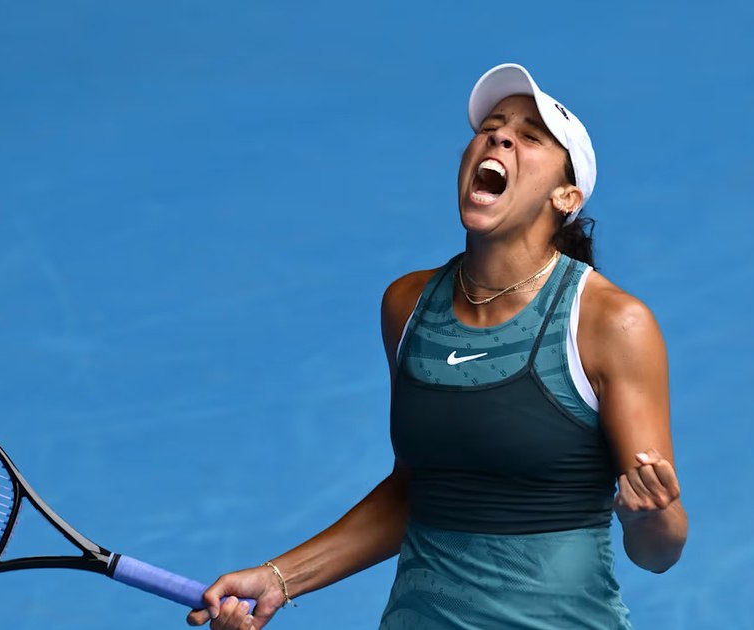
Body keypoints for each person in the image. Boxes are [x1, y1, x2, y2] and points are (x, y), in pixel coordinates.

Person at [186, 62, 687, 630]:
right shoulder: (407, 305)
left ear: (565, 196)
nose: (499, 138)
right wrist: (279, 577)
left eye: (529, 137)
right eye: (491, 128)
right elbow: (415, 490)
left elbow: (661, 551)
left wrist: (646, 516)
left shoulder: (610, 323)